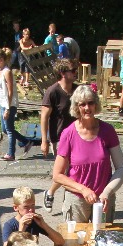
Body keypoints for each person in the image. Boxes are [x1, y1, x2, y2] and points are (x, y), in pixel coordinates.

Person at [51, 84, 123, 225]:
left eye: (90, 103)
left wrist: (107, 192)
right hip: (77, 200)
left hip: (103, 199)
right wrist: (83, 190)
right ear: (76, 107)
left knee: (102, 237)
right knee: (76, 238)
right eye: (82, 104)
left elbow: (122, 167)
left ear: (96, 104)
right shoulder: (68, 133)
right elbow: (57, 175)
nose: (87, 108)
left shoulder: (108, 130)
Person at [41, 59, 79, 204]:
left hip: (78, 137)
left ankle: (61, 197)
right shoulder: (52, 92)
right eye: (73, 70)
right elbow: (44, 117)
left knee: (73, 170)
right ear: (63, 73)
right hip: (59, 138)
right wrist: (44, 141)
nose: (75, 73)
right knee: (64, 172)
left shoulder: (77, 90)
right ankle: (53, 194)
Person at [0, 186, 64, 246]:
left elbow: (60, 242)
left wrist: (44, 225)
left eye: (33, 205)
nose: (31, 210)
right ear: (16, 207)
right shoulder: (9, 226)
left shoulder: (35, 221)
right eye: (26, 207)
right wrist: (21, 231)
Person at [0, 47, 21, 162]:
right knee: (5, 129)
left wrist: (8, 109)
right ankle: (26, 141)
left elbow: (10, 91)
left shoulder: (7, 72)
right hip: (1, 104)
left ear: (1, 60)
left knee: (9, 129)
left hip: (9, 104)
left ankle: (11, 153)